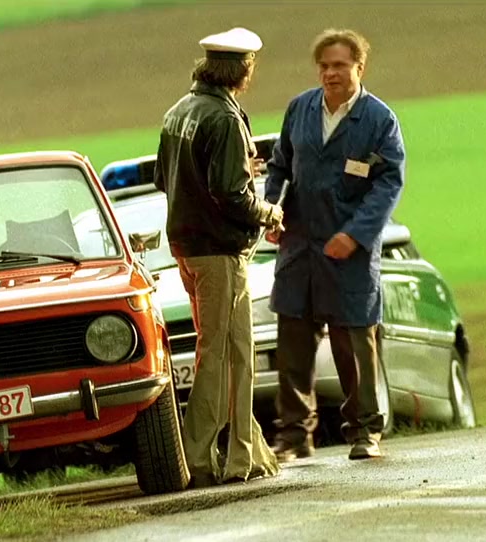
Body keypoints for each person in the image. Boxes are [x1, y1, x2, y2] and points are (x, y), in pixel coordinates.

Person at [263, 28, 405, 461]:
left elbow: (388, 184)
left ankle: (365, 432)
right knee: (293, 346)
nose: (330, 73)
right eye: (324, 66)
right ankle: (293, 436)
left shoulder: (379, 120)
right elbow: (279, 166)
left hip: (349, 253)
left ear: (360, 67)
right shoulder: (300, 109)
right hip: (299, 247)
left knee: (354, 346)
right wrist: (272, 210)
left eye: (339, 65)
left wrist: (356, 234)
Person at [154, 27, 284, 487]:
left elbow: (163, 179)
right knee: (230, 356)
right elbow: (231, 195)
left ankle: (248, 454)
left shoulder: (179, 111)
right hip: (220, 253)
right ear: (242, 69)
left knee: (218, 350)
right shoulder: (225, 118)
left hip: (187, 249)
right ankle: (209, 459)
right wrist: (269, 211)